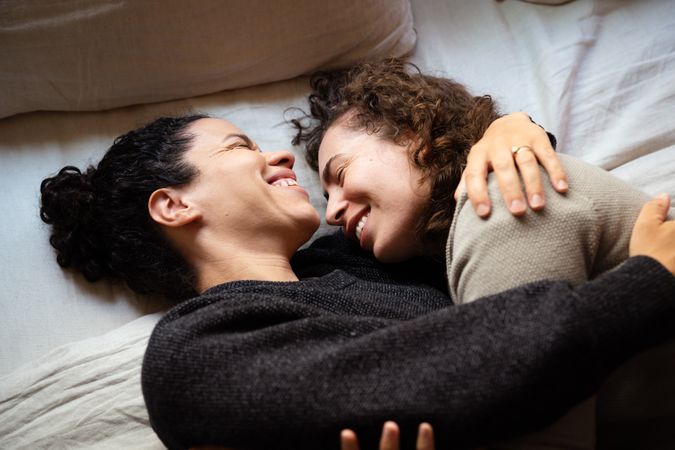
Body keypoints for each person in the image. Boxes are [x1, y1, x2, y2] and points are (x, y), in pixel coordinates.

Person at [39, 115, 675, 450]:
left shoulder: (352, 258)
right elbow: (461, 369)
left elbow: (464, 209)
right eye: (239, 146)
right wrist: (652, 281)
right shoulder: (196, 352)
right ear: (174, 206)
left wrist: (509, 127)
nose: (283, 157)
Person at [294, 58, 672, 448]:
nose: (334, 212)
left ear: (414, 135)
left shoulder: (503, 199)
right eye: (327, 197)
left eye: (340, 176)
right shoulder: (446, 246)